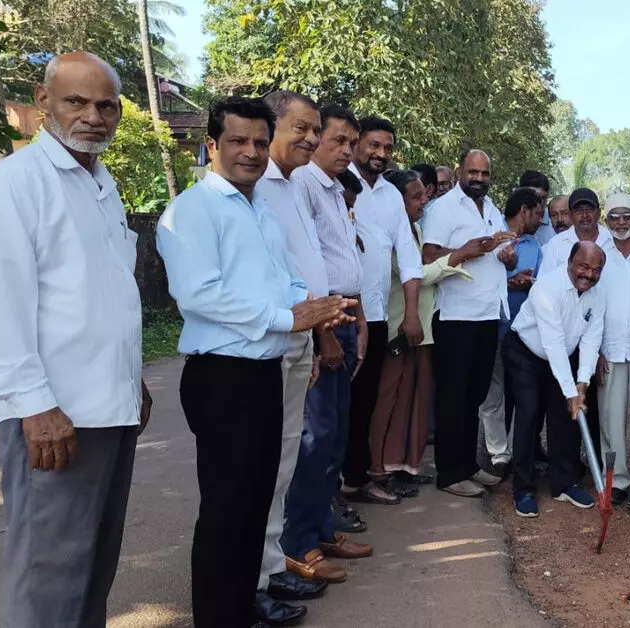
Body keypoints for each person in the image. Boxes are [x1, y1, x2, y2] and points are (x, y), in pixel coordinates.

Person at [0, 51, 146, 628]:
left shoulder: (101, 184)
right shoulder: (13, 187)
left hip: (109, 408)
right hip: (55, 414)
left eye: (107, 105)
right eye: (77, 101)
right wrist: (34, 405)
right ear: (43, 103)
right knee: (48, 570)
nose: (94, 115)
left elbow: (105, 294)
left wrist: (132, 378)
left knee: (93, 563)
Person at [157, 97, 351, 628]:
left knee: (256, 500)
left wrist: (308, 311)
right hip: (223, 374)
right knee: (225, 511)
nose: (251, 153)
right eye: (238, 142)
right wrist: (290, 318)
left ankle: (244, 605)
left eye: (260, 143)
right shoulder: (193, 210)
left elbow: (287, 277)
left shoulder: (258, 208)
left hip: (263, 370)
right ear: (212, 145)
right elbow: (199, 295)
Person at [283, 104, 373, 589]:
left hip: (343, 315)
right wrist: (322, 335)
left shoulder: (336, 190)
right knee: (314, 439)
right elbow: (305, 265)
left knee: (334, 437)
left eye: (348, 142)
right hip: (322, 322)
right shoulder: (301, 186)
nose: (345, 150)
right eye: (336, 140)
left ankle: (322, 528)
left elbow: (339, 260)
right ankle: (299, 544)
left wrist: (355, 319)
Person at [249, 89, 326, 625]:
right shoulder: (253, 187)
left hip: (302, 337)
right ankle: (249, 581)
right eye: (301, 128)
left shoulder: (295, 183)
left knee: (284, 463)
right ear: (271, 127)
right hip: (268, 341)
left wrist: (316, 336)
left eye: (314, 129)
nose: (312, 139)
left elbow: (302, 264)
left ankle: (272, 565)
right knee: (260, 468)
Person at [370, 170, 475, 489]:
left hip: (423, 328)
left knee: (413, 400)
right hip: (401, 325)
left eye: (423, 195)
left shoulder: (414, 228)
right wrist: (457, 257)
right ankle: (378, 468)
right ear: (395, 200)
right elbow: (413, 274)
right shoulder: (385, 232)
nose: (424, 201)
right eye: (416, 196)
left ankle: (405, 466)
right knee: (390, 399)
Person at [422, 149, 517, 497]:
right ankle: (449, 473)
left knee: (475, 394)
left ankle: (467, 465)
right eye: (473, 172)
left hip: (488, 313)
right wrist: (464, 251)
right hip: (455, 315)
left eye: (485, 173)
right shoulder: (443, 209)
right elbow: (427, 256)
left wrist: (507, 256)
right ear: (461, 170)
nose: (478, 178)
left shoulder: (491, 208)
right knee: (453, 396)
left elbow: (500, 253)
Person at [342, 116, 424, 506]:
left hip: (374, 315)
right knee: (334, 405)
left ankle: (356, 481)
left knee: (365, 401)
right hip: (338, 311)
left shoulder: (391, 195)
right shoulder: (336, 184)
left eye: (388, 148)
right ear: (357, 144)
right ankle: (330, 490)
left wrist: (411, 314)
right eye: (374, 145)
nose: (381, 154)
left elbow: (408, 258)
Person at [506, 242, 608, 517]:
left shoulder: (598, 296)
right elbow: (553, 343)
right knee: (528, 415)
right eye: (583, 267)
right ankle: (524, 490)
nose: (589, 274)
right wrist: (570, 392)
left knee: (565, 419)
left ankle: (564, 483)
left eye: (596, 270)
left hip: (564, 355)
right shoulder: (546, 289)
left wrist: (582, 384)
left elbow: (590, 339)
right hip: (526, 353)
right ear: (570, 263)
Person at [539, 188, 612, 455]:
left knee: (590, 402)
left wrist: (599, 351)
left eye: (589, 209)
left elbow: (601, 299)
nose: (584, 214)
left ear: (598, 212)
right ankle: (564, 465)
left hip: (591, 333)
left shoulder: (611, 240)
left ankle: (588, 460)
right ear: (570, 214)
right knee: (563, 407)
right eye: (578, 210)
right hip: (560, 336)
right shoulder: (554, 247)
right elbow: (547, 294)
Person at [478, 187, 545, 476]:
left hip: (523, 334)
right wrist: (509, 282)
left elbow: (540, 286)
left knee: (522, 395)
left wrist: (528, 283)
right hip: (493, 325)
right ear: (524, 211)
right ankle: (498, 455)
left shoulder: (535, 246)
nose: (541, 221)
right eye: (538, 214)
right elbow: (479, 280)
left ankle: (521, 452)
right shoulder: (492, 234)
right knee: (493, 394)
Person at [596, 193, 630, 504]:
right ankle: (616, 480)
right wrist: (597, 351)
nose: (620, 223)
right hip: (610, 348)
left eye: (626, 216)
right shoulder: (599, 255)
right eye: (614, 217)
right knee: (611, 420)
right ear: (607, 221)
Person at [518, 169, 556, 244]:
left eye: (543, 197)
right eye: (534, 197)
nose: (539, 203)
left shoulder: (556, 221)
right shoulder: (506, 221)